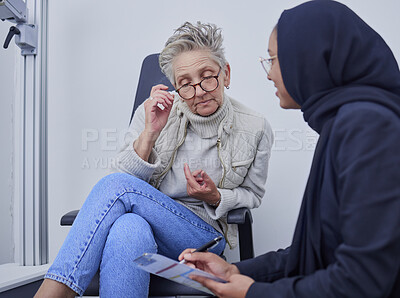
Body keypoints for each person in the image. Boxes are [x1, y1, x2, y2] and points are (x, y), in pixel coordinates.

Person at [34, 21, 273, 297]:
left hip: (203, 235)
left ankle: (54, 291)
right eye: (185, 84)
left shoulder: (256, 127)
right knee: (128, 228)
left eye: (207, 77)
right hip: (147, 230)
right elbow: (117, 180)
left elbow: (252, 194)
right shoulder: (153, 113)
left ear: (226, 74)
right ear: (174, 85)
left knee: (117, 188)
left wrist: (216, 196)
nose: (198, 92)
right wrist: (149, 134)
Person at [178, 1, 400, 297]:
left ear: (307, 58)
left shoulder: (368, 127)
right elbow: (318, 250)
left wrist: (253, 293)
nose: (269, 73)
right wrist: (237, 271)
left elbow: (361, 280)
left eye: (273, 59)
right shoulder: (345, 123)